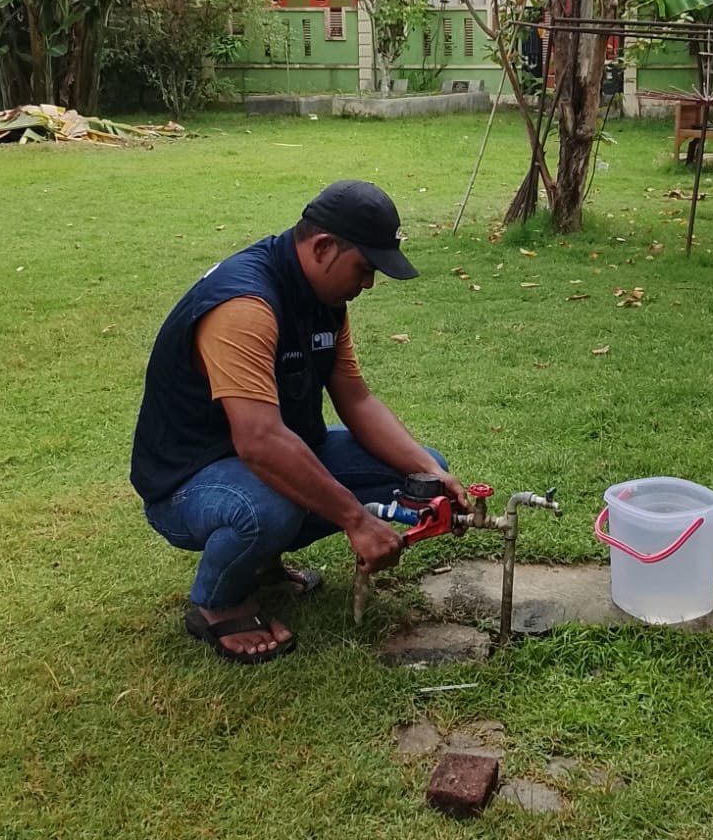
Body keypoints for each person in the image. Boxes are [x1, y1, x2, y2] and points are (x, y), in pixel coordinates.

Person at [131, 180, 468, 664]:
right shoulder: (245, 306)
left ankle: (262, 565)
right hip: (188, 480)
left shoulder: (325, 301)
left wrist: (430, 473)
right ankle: (217, 604)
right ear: (324, 248)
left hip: (257, 459)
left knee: (417, 477)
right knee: (269, 506)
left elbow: (357, 401)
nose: (368, 284)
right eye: (365, 268)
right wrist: (356, 520)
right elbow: (260, 442)